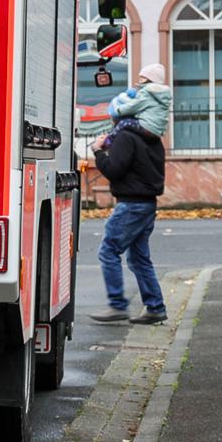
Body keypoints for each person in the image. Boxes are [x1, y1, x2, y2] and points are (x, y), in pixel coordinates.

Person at [90, 112, 167, 325]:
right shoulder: (151, 135)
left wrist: (98, 152)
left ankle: (117, 304)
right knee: (139, 258)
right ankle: (155, 307)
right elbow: (135, 165)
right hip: (147, 203)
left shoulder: (125, 136)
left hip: (131, 204)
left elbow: (114, 170)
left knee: (108, 251)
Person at [108, 62, 171, 137]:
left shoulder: (147, 92)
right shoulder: (160, 94)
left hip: (147, 127)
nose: (140, 78)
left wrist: (119, 110)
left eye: (143, 76)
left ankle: (109, 140)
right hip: (157, 130)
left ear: (151, 78)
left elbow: (134, 106)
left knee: (124, 123)